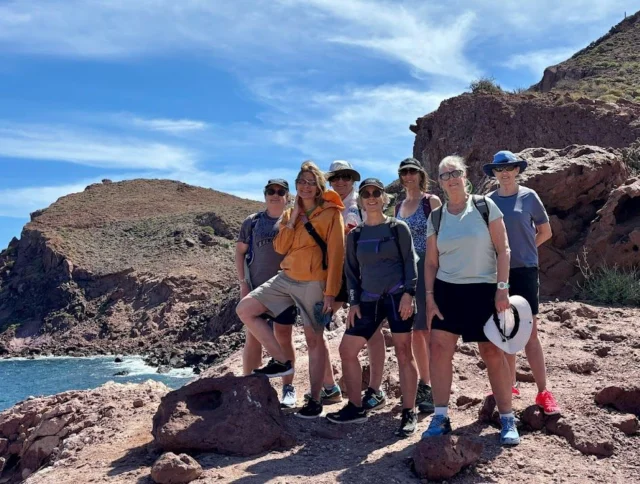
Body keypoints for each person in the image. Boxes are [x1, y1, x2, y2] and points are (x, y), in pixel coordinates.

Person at [422, 155, 520, 446]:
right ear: (439, 182)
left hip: (484, 289)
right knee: (439, 350)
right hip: (447, 290)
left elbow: (503, 249)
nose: (451, 178)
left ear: (465, 176)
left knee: (491, 352)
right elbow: (430, 262)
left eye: (456, 172)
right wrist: (429, 297)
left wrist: (502, 288)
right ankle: (440, 416)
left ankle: (506, 417)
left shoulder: (483, 205)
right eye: (444, 175)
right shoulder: (436, 217)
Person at [236, 161, 345, 419]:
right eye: (302, 182)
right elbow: (281, 247)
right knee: (246, 309)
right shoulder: (288, 215)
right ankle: (281, 361)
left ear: (318, 187)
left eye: (311, 182)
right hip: (285, 278)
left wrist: (330, 292)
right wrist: (294, 217)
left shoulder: (331, 214)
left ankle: (316, 399)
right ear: (296, 186)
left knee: (314, 340)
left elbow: (337, 255)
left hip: (314, 283)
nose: (306, 187)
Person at [326, 178, 419, 437]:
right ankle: (355, 406)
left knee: (403, 351)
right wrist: (354, 302)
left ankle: (408, 411)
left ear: (383, 197)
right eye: (366, 193)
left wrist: (408, 295)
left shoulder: (398, 228)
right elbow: (352, 272)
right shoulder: (355, 236)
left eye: (376, 192)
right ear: (361, 200)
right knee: (347, 350)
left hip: (397, 297)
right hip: (367, 300)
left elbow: (410, 263)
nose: (371, 197)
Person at [485, 150, 560, 415]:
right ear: (493, 173)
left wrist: (528, 250)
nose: (504, 173)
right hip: (498, 273)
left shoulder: (529, 197)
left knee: (530, 333)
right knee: (506, 330)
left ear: (517, 170)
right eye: (499, 169)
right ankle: (510, 384)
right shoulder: (488, 201)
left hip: (525, 270)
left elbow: (545, 231)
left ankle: (543, 392)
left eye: (510, 168)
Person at [325, 160, 387, 411]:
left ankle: (375, 389)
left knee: (373, 332)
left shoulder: (361, 204)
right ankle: (329, 386)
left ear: (353, 180)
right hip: (333, 275)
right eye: (336, 177)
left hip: (363, 275)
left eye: (346, 176)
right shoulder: (325, 206)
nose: (341, 181)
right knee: (318, 322)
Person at [235, 179, 299, 408]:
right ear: (264, 195)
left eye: (280, 191)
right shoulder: (252, 223)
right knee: (253, 338)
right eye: (271, 191)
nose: (275, 195)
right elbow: (240, 253)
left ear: (287, 196)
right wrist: (243, 283)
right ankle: (249, 386)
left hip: (284, 290)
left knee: (284, 336)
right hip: (256, 289)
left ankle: (288, 388)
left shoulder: (292, 220)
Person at [395, 157, 441, 414]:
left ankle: (431, 384)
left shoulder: (430, 202)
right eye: (404, 172)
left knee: (426, 328)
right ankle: (422, 382)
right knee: (411, 328)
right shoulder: (398, 206)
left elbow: (442, 235)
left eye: (413, 171)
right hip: (404, 272)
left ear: (420, 174)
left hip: (428, 268)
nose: (408, 176)